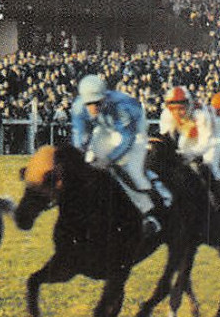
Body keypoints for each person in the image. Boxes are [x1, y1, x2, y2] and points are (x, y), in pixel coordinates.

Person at [70, 74, 171, 237]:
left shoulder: (123, 106)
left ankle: (150, 213)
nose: (93, 107)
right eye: (89, 103)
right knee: (89, 162)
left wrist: (110, 159)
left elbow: (127, 138)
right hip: (106, 128)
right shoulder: (78, 107)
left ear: (104, 98)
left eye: (97, 102)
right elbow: (80, 138)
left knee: (131, 169)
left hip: (133, 130)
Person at [160, 85, 220, 184]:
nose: (177, 113)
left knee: (209, 166)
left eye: (181, 108)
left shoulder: (201, 114)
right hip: (190, 131)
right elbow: (165, 138)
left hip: (214, 134)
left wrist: (188, 154)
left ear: (188, 104)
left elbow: (205, 144)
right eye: (173, 109)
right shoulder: (166, 114)